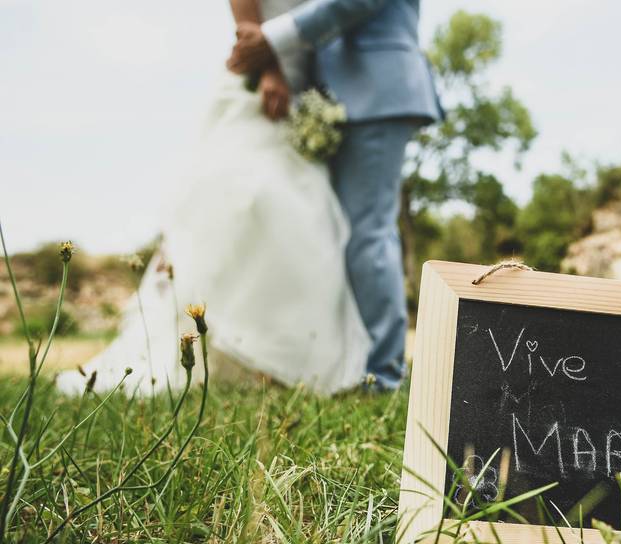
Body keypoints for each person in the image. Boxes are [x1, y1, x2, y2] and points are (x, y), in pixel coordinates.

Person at [57, 0, 431, 396]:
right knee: (265, 214)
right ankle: (310, 366)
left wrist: (271, 42)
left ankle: (380, 373)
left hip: (358, 87)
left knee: (352, 230)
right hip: (292, 87)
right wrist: (266, 63)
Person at [228, 0, 443, 390]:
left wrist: (272, 40)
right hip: (326, 94)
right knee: (332, 230)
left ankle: (383, 374)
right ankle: (350, 364)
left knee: (367, 233)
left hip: (377, 87)